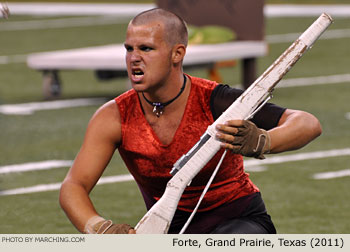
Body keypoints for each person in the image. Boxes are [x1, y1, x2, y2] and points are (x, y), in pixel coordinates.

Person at [59, 8, 322, 234]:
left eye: (146, 48)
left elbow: (307, 123)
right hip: (168, 230)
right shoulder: (114, 115)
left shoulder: (218, 100)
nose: (133, 57)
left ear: (177, 54)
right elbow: (74, 186)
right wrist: (99, 227)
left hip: (240, 222)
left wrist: (263, 141)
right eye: (129, 48)